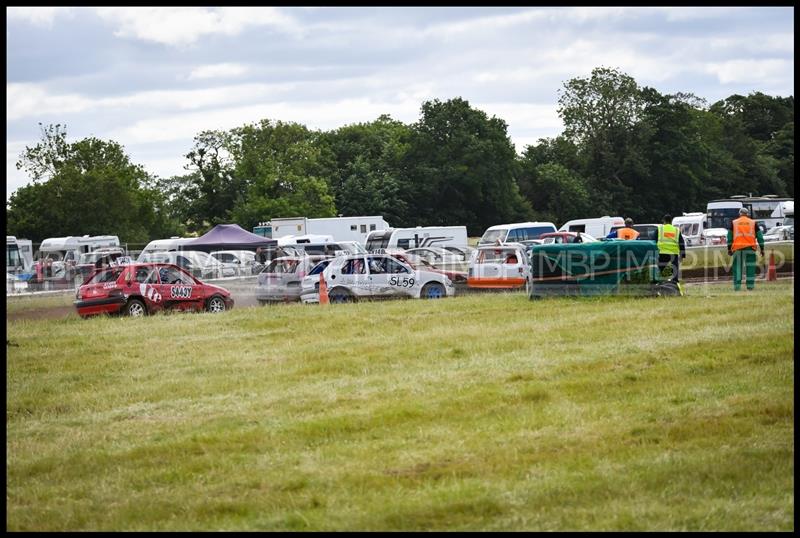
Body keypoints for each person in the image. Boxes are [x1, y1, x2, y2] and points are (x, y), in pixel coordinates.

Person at [727, 207, 765, 291]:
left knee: (737, 267)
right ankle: (750, 286)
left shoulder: (734, 223)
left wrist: (729, 249)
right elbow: (760, 237)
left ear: (739, 214)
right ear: (747, 214)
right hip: (750, 248)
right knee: (750, 267)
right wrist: (762, 249)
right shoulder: (753, 223)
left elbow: (729, 237)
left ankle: (737, 287)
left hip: (737, 248)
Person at [656, 214, 685, 283]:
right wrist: (682, 255)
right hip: (673, 253)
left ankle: (658, 280)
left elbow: (653, 240)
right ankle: (675, 280)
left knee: (660, 267)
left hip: (662, 252)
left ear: (664, 221)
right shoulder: (676, 230)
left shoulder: (660, 229)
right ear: (671, 221)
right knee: (675, 267)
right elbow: (681, 243)